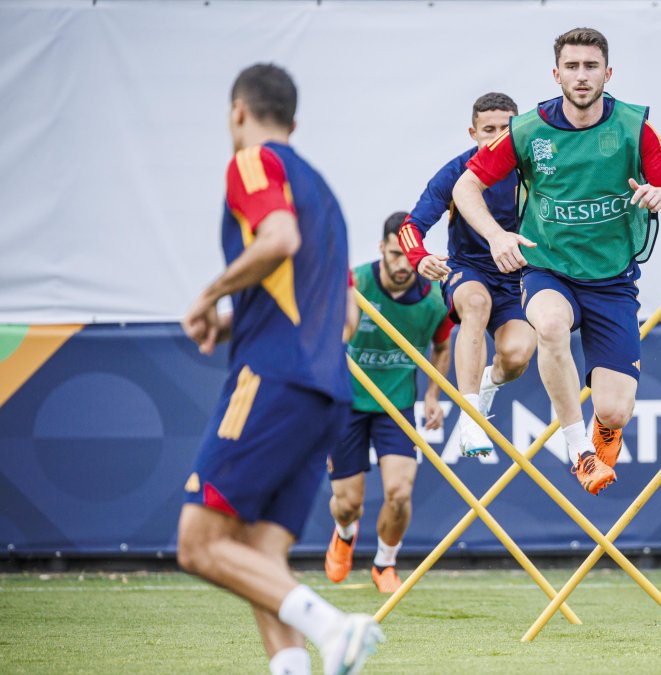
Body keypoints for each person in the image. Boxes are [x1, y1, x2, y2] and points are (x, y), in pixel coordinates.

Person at [176, 63, 381, 675]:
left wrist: (209, 297)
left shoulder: (251, 162)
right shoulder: (327, 195)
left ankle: (334, 627)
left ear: (239, 111)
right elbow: (341, 317)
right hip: (327, 391)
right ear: (295, 119)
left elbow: (278, 240)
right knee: (258, 554)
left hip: (272, 379)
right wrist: (238, 317)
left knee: (199, 543)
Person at [451, 27, 661, 494]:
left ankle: (601, 431)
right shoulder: (527, 130)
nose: (582, 76)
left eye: (591, 66)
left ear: (608, 72)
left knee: (616, 411)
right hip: (548, 268)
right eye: (573, 67)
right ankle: (577, 447)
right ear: (556, 73)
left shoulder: (634, 127)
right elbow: (466, 187)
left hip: (612, 280)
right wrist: (498, 235)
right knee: (550, 326)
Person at [397, 93, 536, 458]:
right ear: (472, 132)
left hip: (519, 276)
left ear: (518, 130)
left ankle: (488, 381)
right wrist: (419, 258)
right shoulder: (457, 172)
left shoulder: (534, 170)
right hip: (469, 269)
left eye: (505, 129)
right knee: (475, 303)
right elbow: (411, 226)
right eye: (488, 129)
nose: (496, 137)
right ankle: (471, 416)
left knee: (517, 356)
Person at [324, 212, 453, 593]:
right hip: (347, 403)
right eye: (394, 254)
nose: (401, 265)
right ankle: (345, 534)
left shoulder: (434, 299)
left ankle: (384, 563)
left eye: (407, 256)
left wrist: (432, 395)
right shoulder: (356, 283)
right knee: (348, 504)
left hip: (395, 406)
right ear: (381, 248)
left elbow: (442, 347)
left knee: (399, 493)